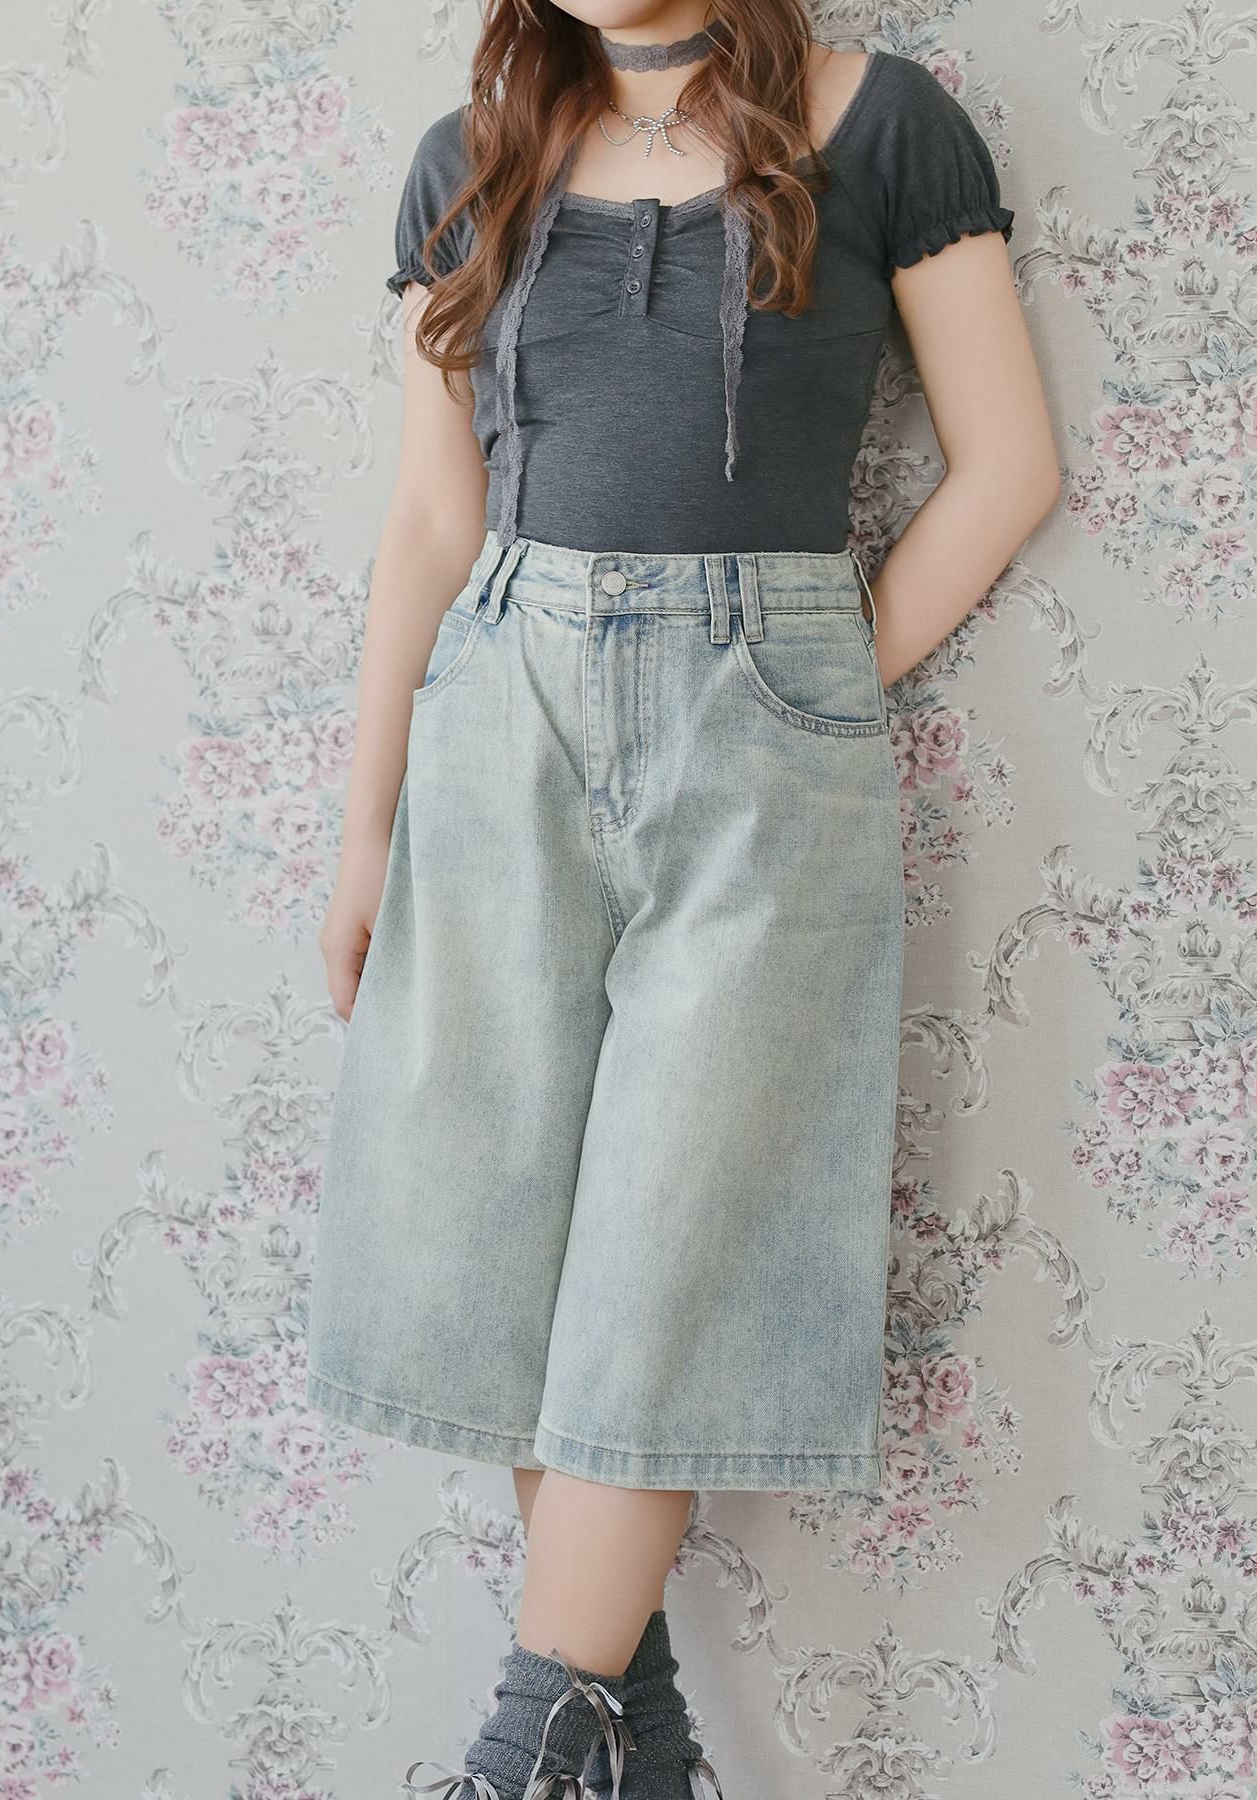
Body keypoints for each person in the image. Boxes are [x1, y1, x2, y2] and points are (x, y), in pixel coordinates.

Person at [306, 3, 1059, 1795]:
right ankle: (628, 1748)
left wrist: (804, 678)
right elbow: (431, 522)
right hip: (499, 716)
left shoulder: (885, 130)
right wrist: (363, 832)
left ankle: (521, 1758)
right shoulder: (468, 159)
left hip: (762, 727)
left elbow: (1010, 466)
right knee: (507, 1244)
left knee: (677, 1245)